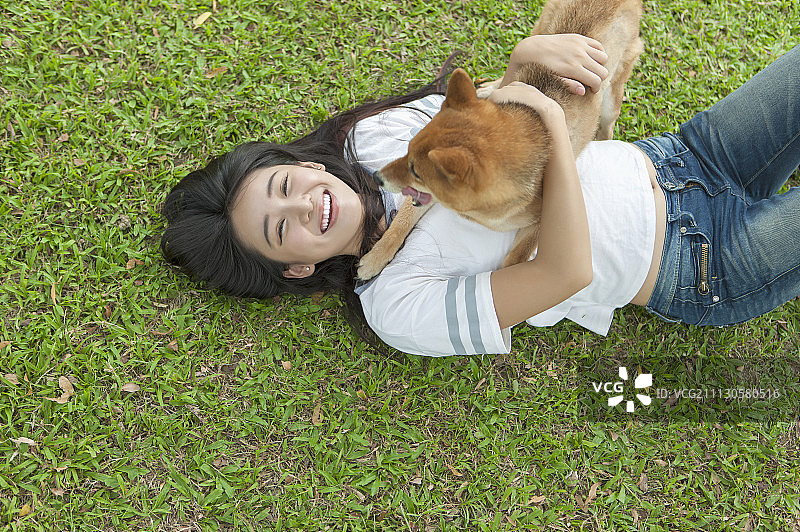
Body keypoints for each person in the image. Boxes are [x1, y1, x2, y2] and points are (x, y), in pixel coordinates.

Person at [161, 34, 800, 357]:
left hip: (679, 157)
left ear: (297, 163)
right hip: (701, 262)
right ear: (297, 267)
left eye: (283, 184)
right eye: (282, 229)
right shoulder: (395, 306)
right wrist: (551, 119)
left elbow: (487, 118)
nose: (304, 203)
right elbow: (566, 271)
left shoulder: (378, 139)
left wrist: (526, 60)